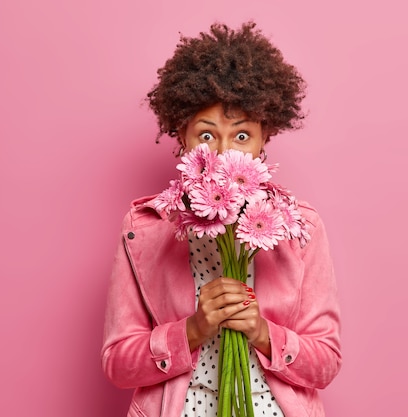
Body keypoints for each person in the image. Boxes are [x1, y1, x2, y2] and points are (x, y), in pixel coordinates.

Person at [101, 22, 341, 417]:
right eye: (208, 135)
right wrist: (191, 330)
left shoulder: (301, 227)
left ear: (266, 135)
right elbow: (117, 362)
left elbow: (326, 362)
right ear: (182, 134)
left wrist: (264, 333)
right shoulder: (143, 228)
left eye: (242, 136)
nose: (225, 152)